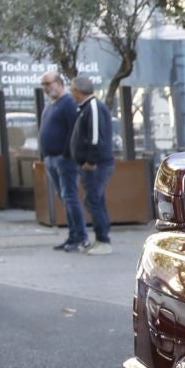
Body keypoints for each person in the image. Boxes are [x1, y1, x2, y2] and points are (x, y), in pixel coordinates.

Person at [39, 72, 86, 252]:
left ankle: (80, 237)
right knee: (65, 198)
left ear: (59, 83)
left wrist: (67, 153)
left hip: (64, 159)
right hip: (51, 158)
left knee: (70, 197)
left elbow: (74, 131)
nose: (45, 88)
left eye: (48, 83)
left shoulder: (67, 103)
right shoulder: (50, 106)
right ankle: (72, 235)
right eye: (43, 85)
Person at [68, 77, 116, 255]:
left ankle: (103, 240)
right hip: (93, 164)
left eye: (72, 90)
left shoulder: (93, 107)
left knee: (93, 200)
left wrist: (91, 161)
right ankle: (100, 239)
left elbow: (96, 138)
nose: (71, 93)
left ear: (78, 91)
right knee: (96, 200)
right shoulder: (86, 108)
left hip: (97, 165)